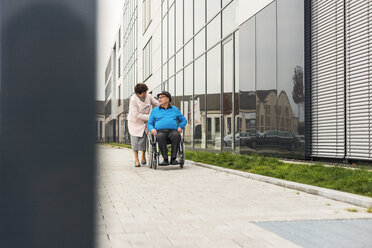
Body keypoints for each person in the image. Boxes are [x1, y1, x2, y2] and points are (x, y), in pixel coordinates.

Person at [147, 91, 187, 165]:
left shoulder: (175, 109)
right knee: (160, 136)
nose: (159, 99)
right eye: (159, 97)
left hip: (173, 131)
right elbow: (149, 124)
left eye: (162, 97)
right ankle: (165, 159)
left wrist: (180, 127)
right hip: (160, 131)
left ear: (168, 99)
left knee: (176, 135)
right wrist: (152, 129)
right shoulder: (155, 111)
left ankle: (173, 159)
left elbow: (184, 120)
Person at [128, 83, 159, 167]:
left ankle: (143, 156)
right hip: (135, 122)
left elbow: (157, 104)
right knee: (135, 141)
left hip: (145, 122)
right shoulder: (133, 100)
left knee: (144, 140)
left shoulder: (148, 96)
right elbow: (136, 114)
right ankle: (136, 159)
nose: (145, 94)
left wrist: (164, 106)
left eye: (145, 92)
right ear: (138, 93)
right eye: (143, 93)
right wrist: (150, 117)